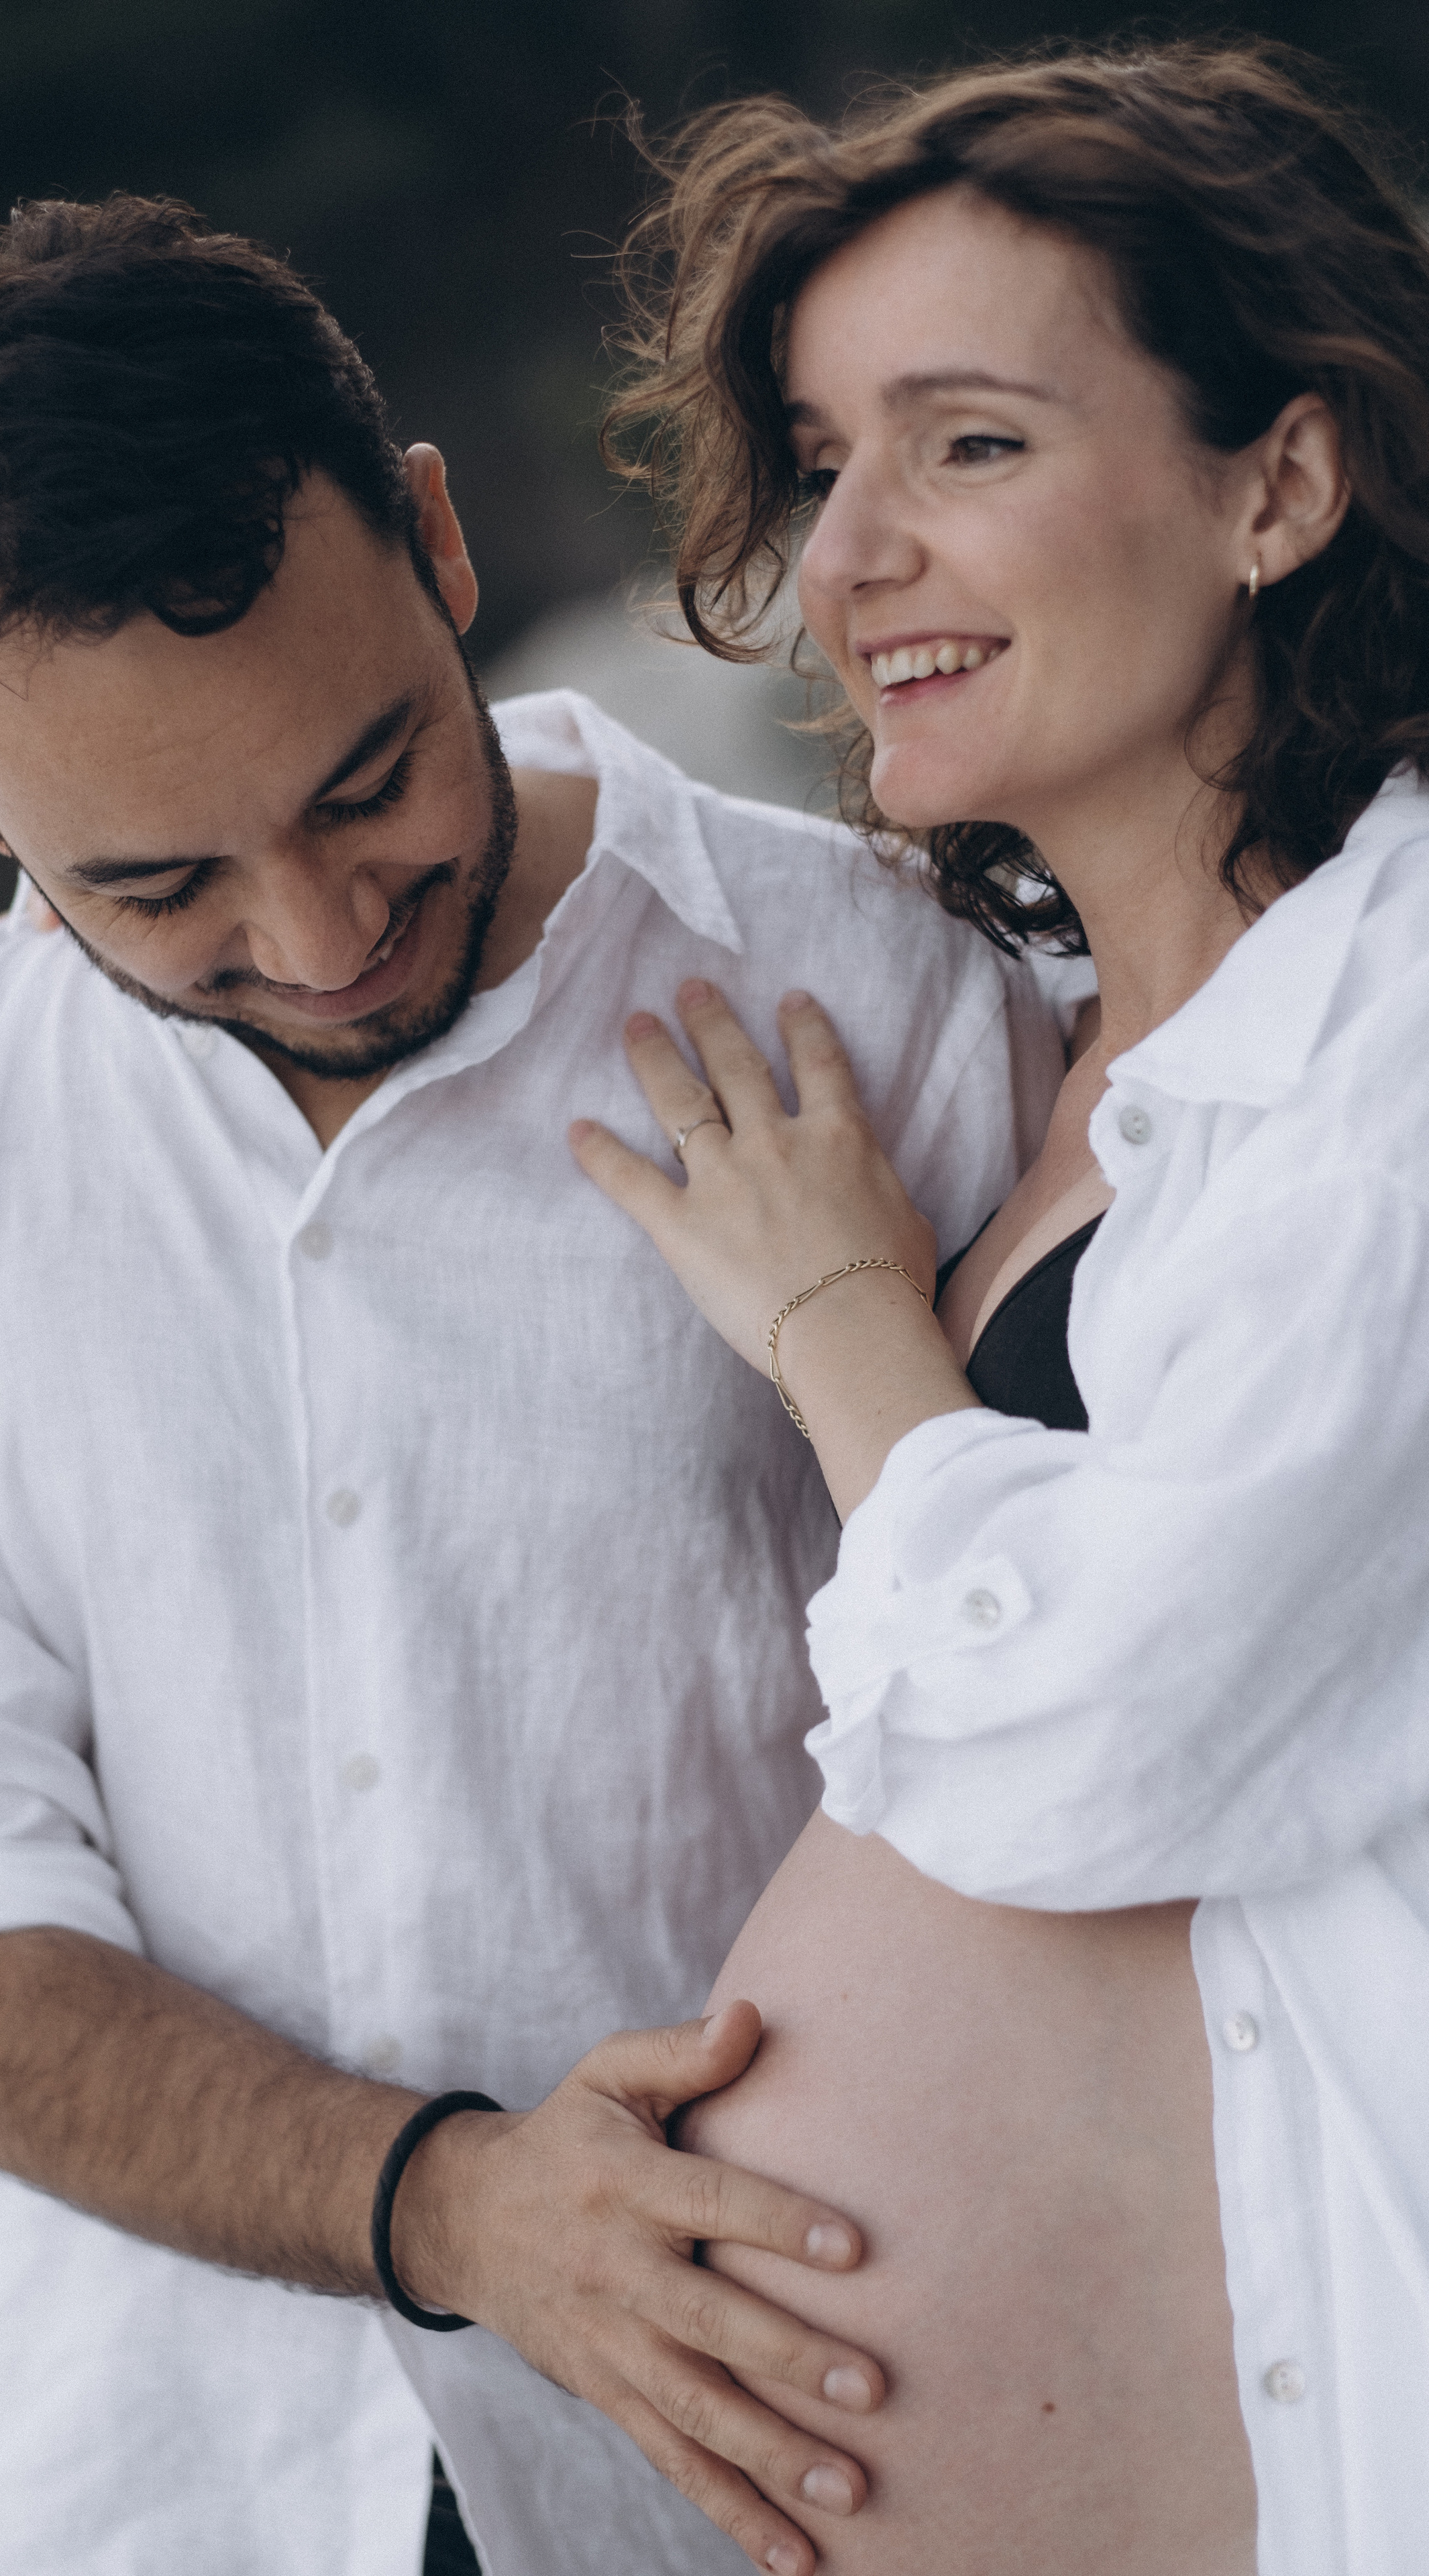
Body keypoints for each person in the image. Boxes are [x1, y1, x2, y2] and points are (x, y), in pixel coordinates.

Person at [0, 196, 1075, 2576]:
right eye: (159, 890)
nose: (326, 937)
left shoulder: (901, 986)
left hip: (836, 2473)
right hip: (179, 2499)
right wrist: (463, 2214)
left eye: (364, 785)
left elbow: (1095, 1743)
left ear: (436, 540)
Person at [572, 38, 1429, 2576]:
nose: (848, 563)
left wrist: (857, 1340)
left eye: (963, 445)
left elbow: (1120, 1734)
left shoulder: (1390, 1044)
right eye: (827, 464)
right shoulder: (1059, 1050)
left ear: (1279, 480)